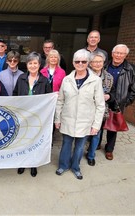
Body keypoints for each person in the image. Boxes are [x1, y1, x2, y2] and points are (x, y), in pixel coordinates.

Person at [54, 49, 105, 180]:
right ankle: (63, 165)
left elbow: (100, 105)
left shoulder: (95, 81)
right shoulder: (67, 79)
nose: (80, 63)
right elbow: (60, 100)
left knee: (80, 147)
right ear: (73, 62)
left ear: (88, 63)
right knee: (66, 144)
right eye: (77, 61)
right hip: (68, 119)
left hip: (85, 121)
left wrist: (96, 125)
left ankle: (76, 167)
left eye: (83, 61)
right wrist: (57, 119)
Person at [13, 51, 52, 177]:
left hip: (37, 118)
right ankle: (22, 163)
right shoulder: (21, 78)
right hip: (23, 117)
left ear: (39, 64)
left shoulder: (44, 81)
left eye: (35, 63)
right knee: (23, 141)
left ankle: (33, 163)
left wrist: (53, 97)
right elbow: (15, 95)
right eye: (30, 63)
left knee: (35, 142)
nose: (33, 66)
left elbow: (48, 99)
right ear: (27, 64)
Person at [104, 44, 135, 160]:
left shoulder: (130, 69)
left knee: (113, 126)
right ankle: (96, 145)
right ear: (112, 54)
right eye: (116, 53)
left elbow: (134, 89)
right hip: (104, 100)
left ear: (125, 55)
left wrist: (126, 101)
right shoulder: (105, 66)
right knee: (100, 123)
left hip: (118, 102)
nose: (118, 55)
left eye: (121, 53)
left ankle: (109, 149)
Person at [86, 51, 115, 166]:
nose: (98, 64)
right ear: (90, 63)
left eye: (100, 61)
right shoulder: (85, 74)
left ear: (103, 63)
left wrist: (109, 96)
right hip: (86, 109)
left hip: (100, 111)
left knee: (96, 133)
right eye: (95, 62)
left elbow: (113, 92)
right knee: (84, 133)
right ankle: (80, 151)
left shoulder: (109, 77)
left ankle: (91, 155)